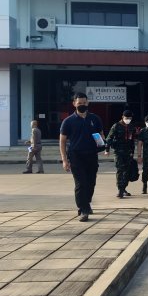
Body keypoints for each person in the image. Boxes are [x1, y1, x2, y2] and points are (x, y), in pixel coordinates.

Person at [59, 93, 105, 222]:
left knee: (91, 182)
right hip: (76, 156)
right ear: (74, 103)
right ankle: (83, 209)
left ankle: (86, 203)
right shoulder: (68, 121)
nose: (82, 105)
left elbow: (100, 135)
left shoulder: (95, 119)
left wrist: (103, 145)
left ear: (88, 103)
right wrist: (64, 159)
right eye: (79, 103)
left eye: (84, 103)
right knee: (81, 183)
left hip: (91, 155)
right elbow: (62, 141)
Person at [106, 110, 137, 199]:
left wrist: (132, 153)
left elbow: (132, 141)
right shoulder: (116, 126)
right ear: (122, 117)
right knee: (120, 170)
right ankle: (120, 190)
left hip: (128, 152)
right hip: (118, 152)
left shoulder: (132, 127)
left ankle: (124, 188)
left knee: (127, 171)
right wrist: (107, 149)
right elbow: (109, 138)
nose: (128, 120)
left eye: (130, 118)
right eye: (126, 118)